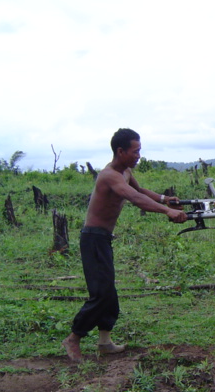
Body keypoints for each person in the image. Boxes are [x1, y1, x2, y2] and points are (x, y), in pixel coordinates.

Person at [62, 128, 187, 362]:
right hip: (93, 238)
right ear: (120, 151)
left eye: (139, 150)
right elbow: (134, 197)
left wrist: (163, 199)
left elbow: (141, 191)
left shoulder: (126, 171)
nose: (139, 155)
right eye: (135, 151)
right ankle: (73, 338)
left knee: (108, 291)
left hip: (103, 238)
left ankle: (104, 342)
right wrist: (167, 211)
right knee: (101, 293)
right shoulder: (110, 175)